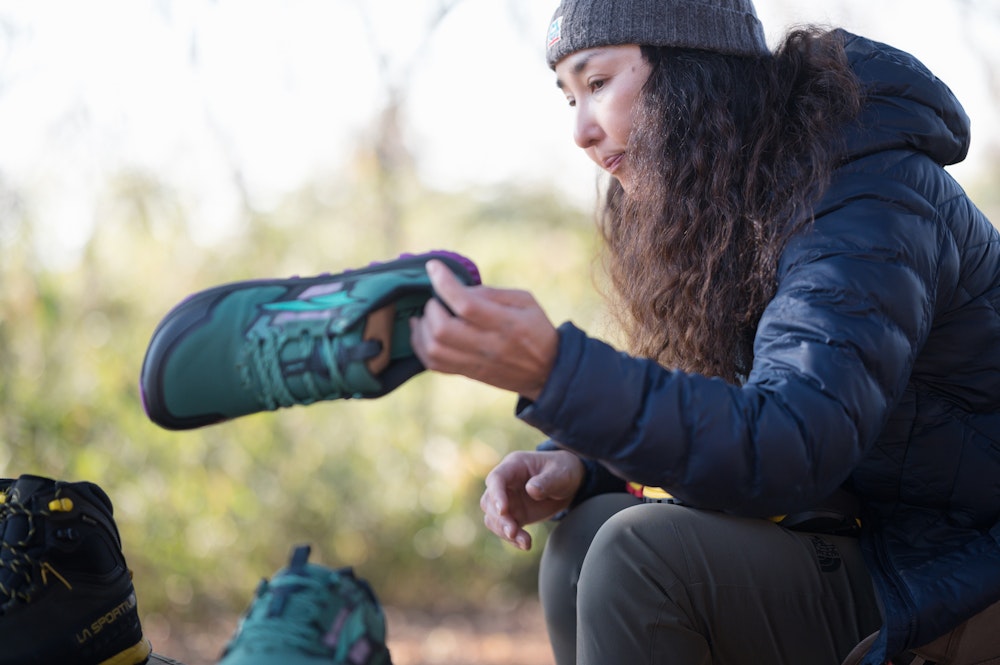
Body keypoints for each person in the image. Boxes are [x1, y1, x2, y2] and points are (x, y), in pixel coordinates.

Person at [408, 1, 1000, 664]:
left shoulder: (867, 196)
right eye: (568, 97)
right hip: (886, 539)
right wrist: (585, 463)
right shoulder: (739, 198)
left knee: (639, 559)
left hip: (963, 565)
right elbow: (731, 397)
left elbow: (792, 441)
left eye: (598, 83)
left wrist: (556, 373)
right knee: (584, 536)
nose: (580, 131)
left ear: (691, 72)